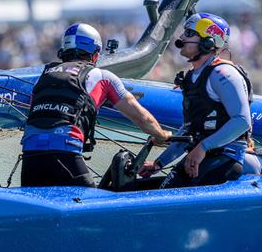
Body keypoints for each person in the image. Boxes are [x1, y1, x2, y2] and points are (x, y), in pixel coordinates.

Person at [21, 23, 170, 187]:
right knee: (93, 206)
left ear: (63, 51)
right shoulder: (103, 77)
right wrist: (161, 135)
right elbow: (142, 118)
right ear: (95, 54)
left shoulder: (44, 75)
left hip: (30, 158)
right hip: (65, 155)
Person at [139, 12, 261, 187]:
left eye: (188, 33)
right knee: (162, 189)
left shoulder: (223, 74)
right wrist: (159, 164)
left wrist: (203, 147)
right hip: (200, 155)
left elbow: (242, 121)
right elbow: (190, 129)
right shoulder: (192, 76)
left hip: (225, 158)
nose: (181, 36)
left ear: (208, 42)